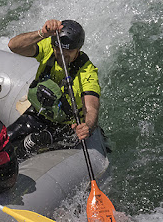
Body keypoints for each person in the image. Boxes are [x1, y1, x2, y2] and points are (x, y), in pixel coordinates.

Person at [6, 19, 101, 158]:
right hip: (41, 113)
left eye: (69, 50)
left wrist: (87, 126)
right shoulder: (49, 48)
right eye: (59, 48)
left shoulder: (87, 72)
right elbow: (13, 46)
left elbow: (91, 107)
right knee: (4, 140)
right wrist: (42, 33)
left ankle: (17, 166)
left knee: (33, 142)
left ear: (78, 50)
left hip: (67, 126)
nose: (62, 54)